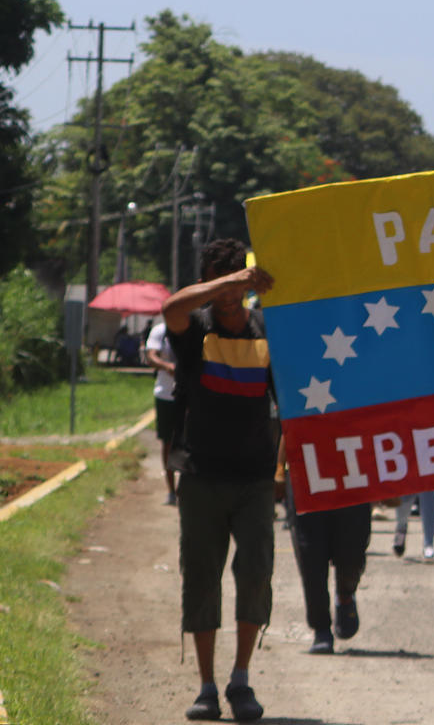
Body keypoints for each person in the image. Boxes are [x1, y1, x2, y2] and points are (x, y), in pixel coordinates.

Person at [162, 239, 277, 723]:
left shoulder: (268, 331)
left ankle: (240, 680)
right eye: (219, 279)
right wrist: (231, 281)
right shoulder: (194, 331)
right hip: (203, 476)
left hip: (255, 479)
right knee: (201, 580)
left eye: (237, 279)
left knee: (255, 575)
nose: (231, 293)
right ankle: (207, 686)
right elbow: (171, 306)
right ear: (209, 281)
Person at [287, 496, 370, 654]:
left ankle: (345, 595)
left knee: (353, 550)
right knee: (310, 557)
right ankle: (321, 628)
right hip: (306, 482)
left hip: (351, 481)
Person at [144, 317, 182, 506]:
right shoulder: (161, 331)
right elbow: (151, 356)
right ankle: (171, 489)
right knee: (168, 443)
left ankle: (186, 486)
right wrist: (166, 366)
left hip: (188, 395)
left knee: (188, 442)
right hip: (166, 395)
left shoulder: (191, 328)